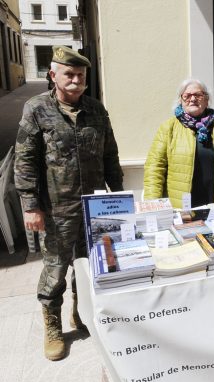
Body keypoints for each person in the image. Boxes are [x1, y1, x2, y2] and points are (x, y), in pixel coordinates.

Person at [14, 46, 124, 361]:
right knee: (55, 269)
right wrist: (30, 205)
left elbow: (110, 154)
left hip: (94, 208)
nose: (75, 80)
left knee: (88, 266)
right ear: (54, 75)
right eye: (69, 74)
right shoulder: (37, 109)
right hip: (55, 210)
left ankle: (81, 313)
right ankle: (52, 326)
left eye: (81, 76)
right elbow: (25, 160)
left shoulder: (96, 110)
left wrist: (118, 194)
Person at [143, 79, 214, 208]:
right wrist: (152, 207)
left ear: (207, 100)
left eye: (198, 95)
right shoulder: (168, 128)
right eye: (187, 96)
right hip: (181, 211)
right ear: (181, 100)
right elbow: (154, 169)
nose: (193, 99)